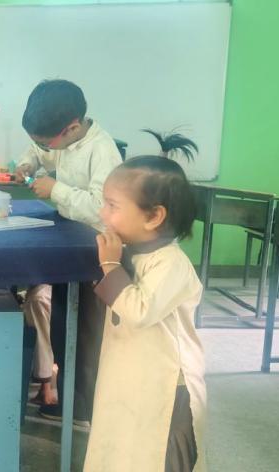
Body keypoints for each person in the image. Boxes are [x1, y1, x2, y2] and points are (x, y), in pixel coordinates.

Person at [85, 151, 206, 471]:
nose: (102, 212)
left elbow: (139, 310)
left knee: (154, 453)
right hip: (134, 375)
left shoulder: (171, 263)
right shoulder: (134, 252)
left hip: (166, 386)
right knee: (124, 445)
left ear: (153, 216)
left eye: (112, 205)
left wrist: (110, 265)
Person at [15, 79, 122, 422]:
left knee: (87, 332)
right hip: (69, 242)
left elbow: (99, 209)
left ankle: (84, 406)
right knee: (62, 321)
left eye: (45, 140)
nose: (43, 146)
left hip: (96, 253)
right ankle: (64, 387)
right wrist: (28, 164)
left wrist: (55, 190)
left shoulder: (102, 150)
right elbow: (40, 152)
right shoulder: (63, 139)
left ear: (72, 127)